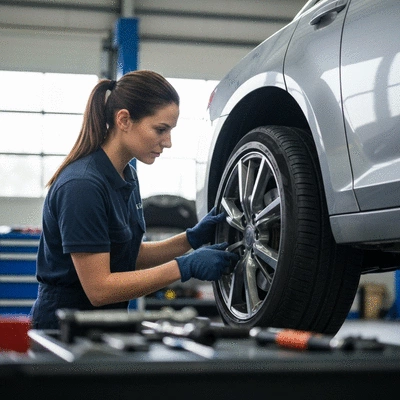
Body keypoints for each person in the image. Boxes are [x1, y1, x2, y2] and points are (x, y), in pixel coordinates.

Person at [30, 70, 239, 330]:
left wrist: (189, 239)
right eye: (161, 129)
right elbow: (99, 289)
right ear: (124, 120)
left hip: (108, 323)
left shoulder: (127, 175)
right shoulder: (82, 186)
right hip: (65, 328)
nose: (168, 142)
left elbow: (128, 255)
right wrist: (183, 267)